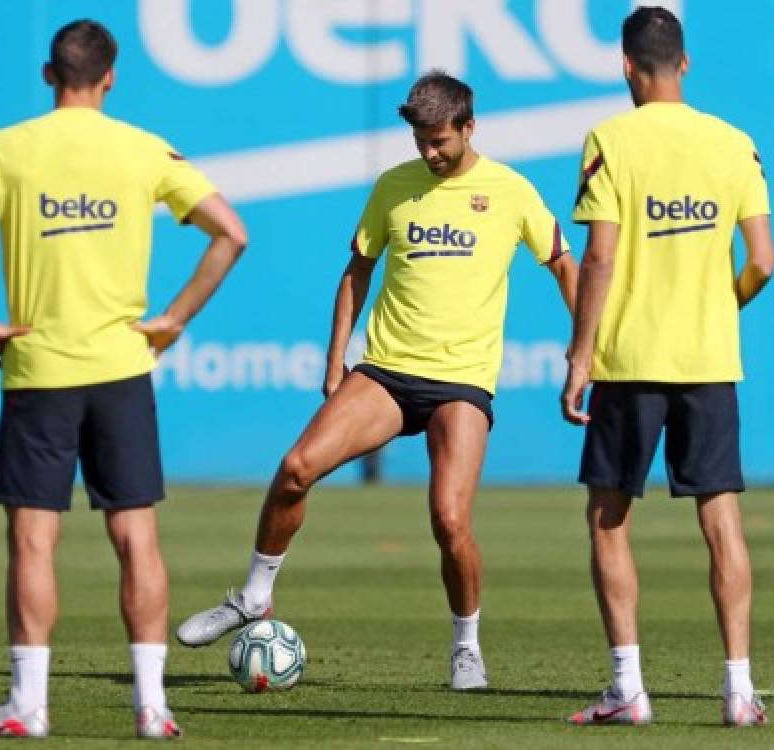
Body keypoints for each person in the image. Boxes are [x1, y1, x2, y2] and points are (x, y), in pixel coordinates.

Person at [177, 70, 577, 690]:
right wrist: (336, 359)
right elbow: (357, 270)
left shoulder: (511, 190)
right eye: (420, 141)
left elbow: (564, 264)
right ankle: (255, 596)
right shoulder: (393, 186)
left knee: (449, 520)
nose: (429, 152)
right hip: (388, 372)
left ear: (469, 128)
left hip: (462, 381)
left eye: (440, 140)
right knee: (295, 467)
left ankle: (467, 645)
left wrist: (584, 349)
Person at [0, 19, 247, 739]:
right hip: (123, 367)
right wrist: (173, 319)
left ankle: (29, 704)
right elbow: (231, 233)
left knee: (33, 543)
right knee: (136, 538)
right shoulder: (143, 149)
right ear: (110, 76)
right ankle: (152, 705)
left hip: (39, 367)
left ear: (49, 74)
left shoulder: (6, 148)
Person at [560, 6, 774, 728]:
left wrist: (580, 354)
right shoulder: (735, 143)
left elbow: (599, 256)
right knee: (722, 521)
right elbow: (766, 263)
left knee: (608, 518)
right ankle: (740, 691)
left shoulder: (610, 140)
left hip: (630, 360)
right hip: (709, 358)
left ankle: (629, 687)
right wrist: (719, 308)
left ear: (626, 66)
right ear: (684, 64)